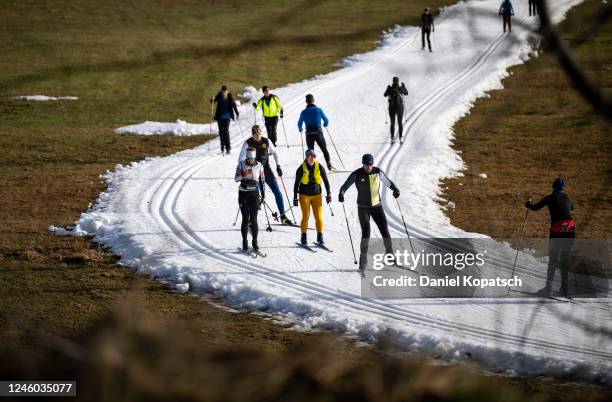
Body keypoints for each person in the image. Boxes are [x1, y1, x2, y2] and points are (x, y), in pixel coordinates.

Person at [338, 154, 400, 270]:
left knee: (385, 232)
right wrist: (341, 193)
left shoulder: (377, 172)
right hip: (363, 208)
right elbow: (345, 186)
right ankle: (363, 260)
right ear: (363, 164)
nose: (368, 167)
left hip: (377, 206)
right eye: (366, 165)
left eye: (370, 164)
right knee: (366, 233)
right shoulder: (357, 174)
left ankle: (390, 256)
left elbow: (388, 182)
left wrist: (395, 189)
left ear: (373, 163)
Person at [525, 178, 576, 297]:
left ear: (553, 187)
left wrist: (528, 204)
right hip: (570, 230)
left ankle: (548, 289)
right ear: (563, 188)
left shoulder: (550, 197)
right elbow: (572, 208)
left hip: (557, 231)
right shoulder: (567, 197)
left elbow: (536, 207)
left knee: (553, 259)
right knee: (564, 260)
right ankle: (565, 290)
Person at [238, 125, 292, 225]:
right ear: (252, 134)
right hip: (254, 172)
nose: (257, 136)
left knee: (277, 191)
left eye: (259, 134)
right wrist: (243, 170)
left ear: (261, 133)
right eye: (255, 134)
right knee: (255, 197)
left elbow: (275, 152)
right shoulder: (247, 143)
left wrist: (278, 165)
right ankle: (251, 219)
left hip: (266, 169)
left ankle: (283, 216)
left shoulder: (266, 141)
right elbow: (240, 158)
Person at [293, 149, 332, 246]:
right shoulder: (301, 168)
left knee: (318, 216)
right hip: (304, 195)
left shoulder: (320, 167)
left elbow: (326, 181)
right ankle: (303, 237)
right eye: (310, 156)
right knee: (306, 215)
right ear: (306, 157)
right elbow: (296, 183)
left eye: (314, 156)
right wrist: (295, 197)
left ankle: (320, 237)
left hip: (317, 195)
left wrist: (329, 194)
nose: (312, 158)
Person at [234, 147, 266, 252]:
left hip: (254, 195)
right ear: (246, 157)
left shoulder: (259, 166)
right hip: (243, 194)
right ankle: (244, 242)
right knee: (245, 219)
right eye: (248, 158)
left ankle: (255, 242)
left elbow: (262, 181)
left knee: (254, 219)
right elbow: (236, 179)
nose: (250, 160)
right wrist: (243, 175)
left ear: (254, 157)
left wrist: (263, 194)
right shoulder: (241, 164)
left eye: (252, 158)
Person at [297, 94, 334, 171]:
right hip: (318, 133)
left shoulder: (303, 112)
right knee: (324, 149)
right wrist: (325, 124)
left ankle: (311, 168)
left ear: (306, 102)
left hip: (309, 134)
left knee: (311, 152)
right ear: (313, 100)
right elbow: (326, 120)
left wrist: (300, 128)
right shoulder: (319, 110)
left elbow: (299, 123)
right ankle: (329, 165)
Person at [211, 85, 239, 154]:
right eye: (223, 92)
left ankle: (228, 148)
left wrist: (237, 113)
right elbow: (213, 102)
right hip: (220, 118)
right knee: (221, 132)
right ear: (221, 92)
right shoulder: (219, 97)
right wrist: (212, 100)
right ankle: (222, 148)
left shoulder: (230, 98)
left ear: (227, 92)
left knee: (226, 132)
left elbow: (234, 105)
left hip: (227, 118)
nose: (224, 93)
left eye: (225, 92)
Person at [384, 77, 409, 143]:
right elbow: (406, 93)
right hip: (400, 107)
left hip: (391, 108)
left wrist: (387, 88)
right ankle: (400, 137)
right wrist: (404, 86)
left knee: (392, 123)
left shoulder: (390, 88)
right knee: (400, 123)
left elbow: (385, 95)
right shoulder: (401, 88)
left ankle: (392, 137)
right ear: (398, 81)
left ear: (393, 81)